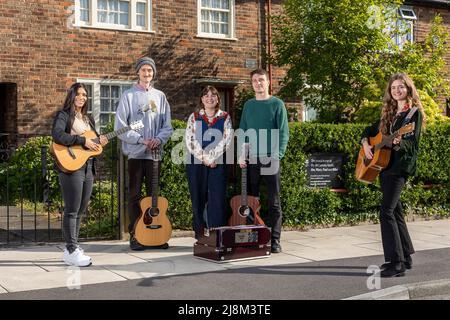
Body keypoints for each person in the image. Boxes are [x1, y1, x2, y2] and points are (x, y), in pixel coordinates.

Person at [361, 73, 425, 277]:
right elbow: (368, 131)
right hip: (384, 166)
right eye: (394, 88)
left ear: (408, 89)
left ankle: (395, 262)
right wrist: (366, 145)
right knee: (395, 212)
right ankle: (405, 257)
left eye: (401, 87)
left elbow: (412, 143)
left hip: (399, 168)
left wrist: (399, 142)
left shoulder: (413, 114)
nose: (397, 91)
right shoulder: (389, 113)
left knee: (386, 212)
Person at [115, 57, 173, 250]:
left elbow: (167, 125)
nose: (147, 73)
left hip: (155, 154)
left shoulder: (160, 96)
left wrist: (158, 139)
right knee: (135, 196)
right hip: (136, 154)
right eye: (143, 70)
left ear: (153, 73)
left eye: (150, 70)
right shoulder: (128, 96)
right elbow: (121, 127)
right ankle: (135, 235)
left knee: (153, 196)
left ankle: (154, 234)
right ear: (138, 72)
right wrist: (141, 140)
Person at [52, 83, 108, 267]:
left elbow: (94, 142)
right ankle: (71, 249)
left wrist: (101, 141)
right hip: (72, 167)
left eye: (85, 95)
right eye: (79, 94)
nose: (82, 97)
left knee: (81, 209)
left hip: (88, 168)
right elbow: (58, 135)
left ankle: (73, 247)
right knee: (72, 209)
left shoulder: (88, 118)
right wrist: (82, 140)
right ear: (72, 95)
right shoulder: (64, 115)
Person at [238, 68, 289, 253]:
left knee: (273, 201)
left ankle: (275, 240)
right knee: (251, 200)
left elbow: (283, 132)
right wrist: (241, 154)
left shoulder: (277, 104)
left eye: (261, 80)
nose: (258, 83)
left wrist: (278, 155)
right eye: (254, 81)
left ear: (268, 82)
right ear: (252, 84)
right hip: (252, 159)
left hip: (271, 158)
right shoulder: (249, 105)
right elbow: (243, 131)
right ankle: (254, 236)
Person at [185, 85, 233, 239]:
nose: (210, 98)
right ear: (202, 99)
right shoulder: (194, 117)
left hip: (218, 163)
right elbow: (190, 139)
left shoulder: (225, 117)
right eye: (206, 95)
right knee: (197, 197)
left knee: (217, 198)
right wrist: (204, 157)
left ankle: (216, 234)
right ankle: (199, 234)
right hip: (196, 163)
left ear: (218, 99)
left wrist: (212, 157)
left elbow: (227, 139)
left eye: (213, 95)